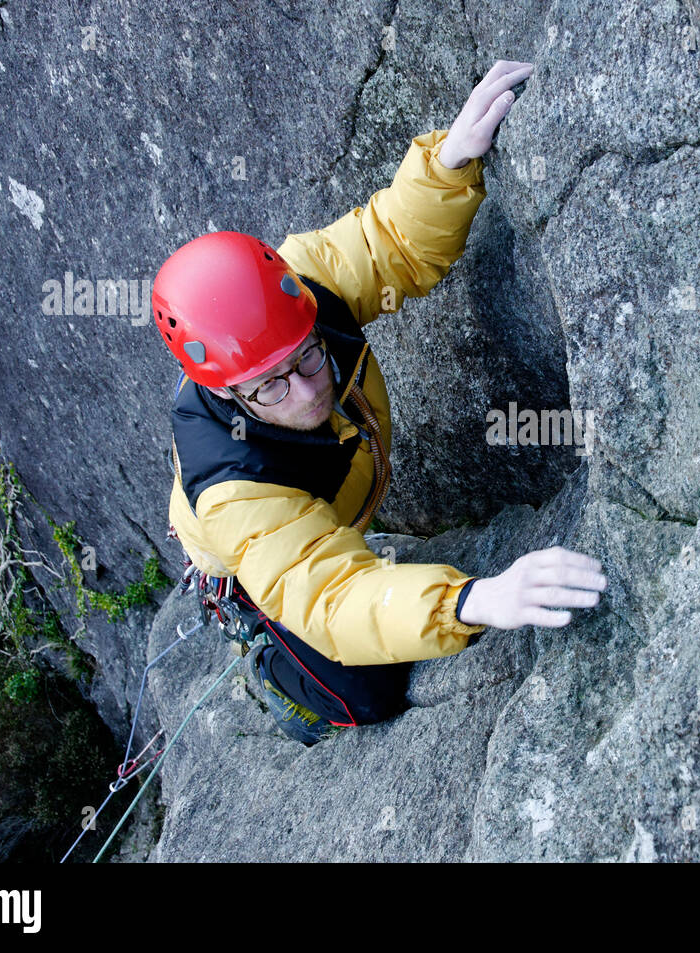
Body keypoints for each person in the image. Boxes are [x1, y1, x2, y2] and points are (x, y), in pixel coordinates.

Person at [152, 61, 607, 746]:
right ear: (225, 391)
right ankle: (271, 664)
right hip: (260, 554)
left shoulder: (302, 289)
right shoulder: (236, 492)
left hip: (322, 510)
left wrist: (449, 162)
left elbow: (387, 242)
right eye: (272, 385)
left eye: (309, 356)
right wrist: (470, 599)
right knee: (367, 690)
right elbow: (333, 600)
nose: (310, 391)